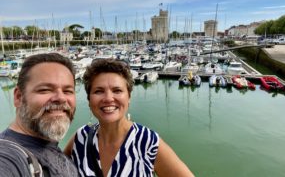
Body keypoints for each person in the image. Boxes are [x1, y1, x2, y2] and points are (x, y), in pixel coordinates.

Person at [64, 58, 194, 177]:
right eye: (99, 91)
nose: (108, 98)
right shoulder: (80, 139)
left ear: (129, 97)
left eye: (117, 90)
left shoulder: (147, 142)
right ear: (89, 100)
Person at [0, 53, 79, 177]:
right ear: (18, 97)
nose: (61, 98)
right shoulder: (8, 158)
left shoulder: (47, 142)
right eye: (45, 90)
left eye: (67, 91)